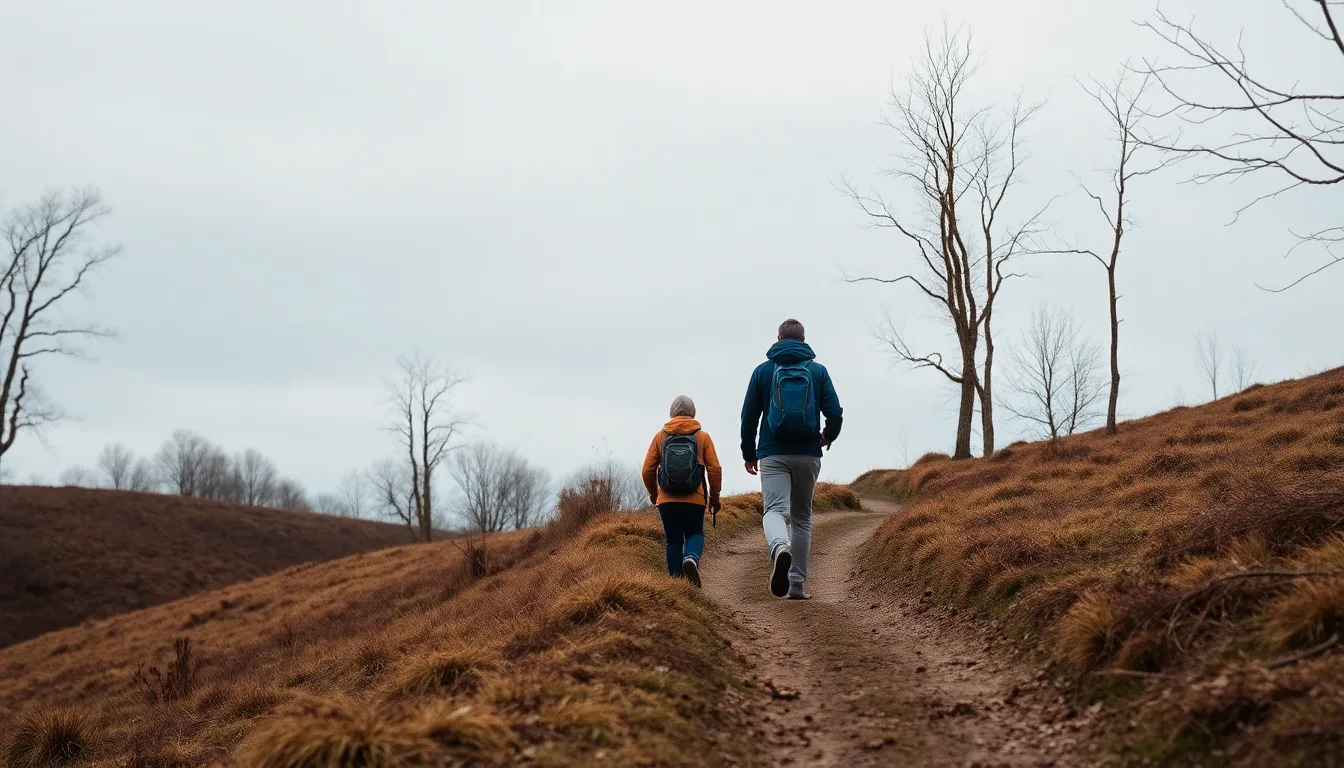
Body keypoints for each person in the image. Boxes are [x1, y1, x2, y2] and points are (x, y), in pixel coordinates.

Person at [740, 319, 843, 599]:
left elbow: (749, 417)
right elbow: (834, 412)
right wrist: (828, 435)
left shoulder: (763, 371)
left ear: (778, 338)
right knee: (802, 518)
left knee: (774, 510)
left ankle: (779, 547)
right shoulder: (818, 371)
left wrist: (749, 453)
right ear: (803, 339)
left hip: (773, 452)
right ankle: (796, 584)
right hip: (808, 453)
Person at [641, 395, 723, 588]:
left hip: (667, 500)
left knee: (673, 541)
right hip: (695, 499)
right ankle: (691, 559)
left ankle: (677, 587)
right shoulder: (702, 437)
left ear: (672, 413)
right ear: (692, 413)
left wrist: (654, 494)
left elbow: (647, 470)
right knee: (695, 533)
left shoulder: (660, 436)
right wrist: (714, 497)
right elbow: (715, 469)